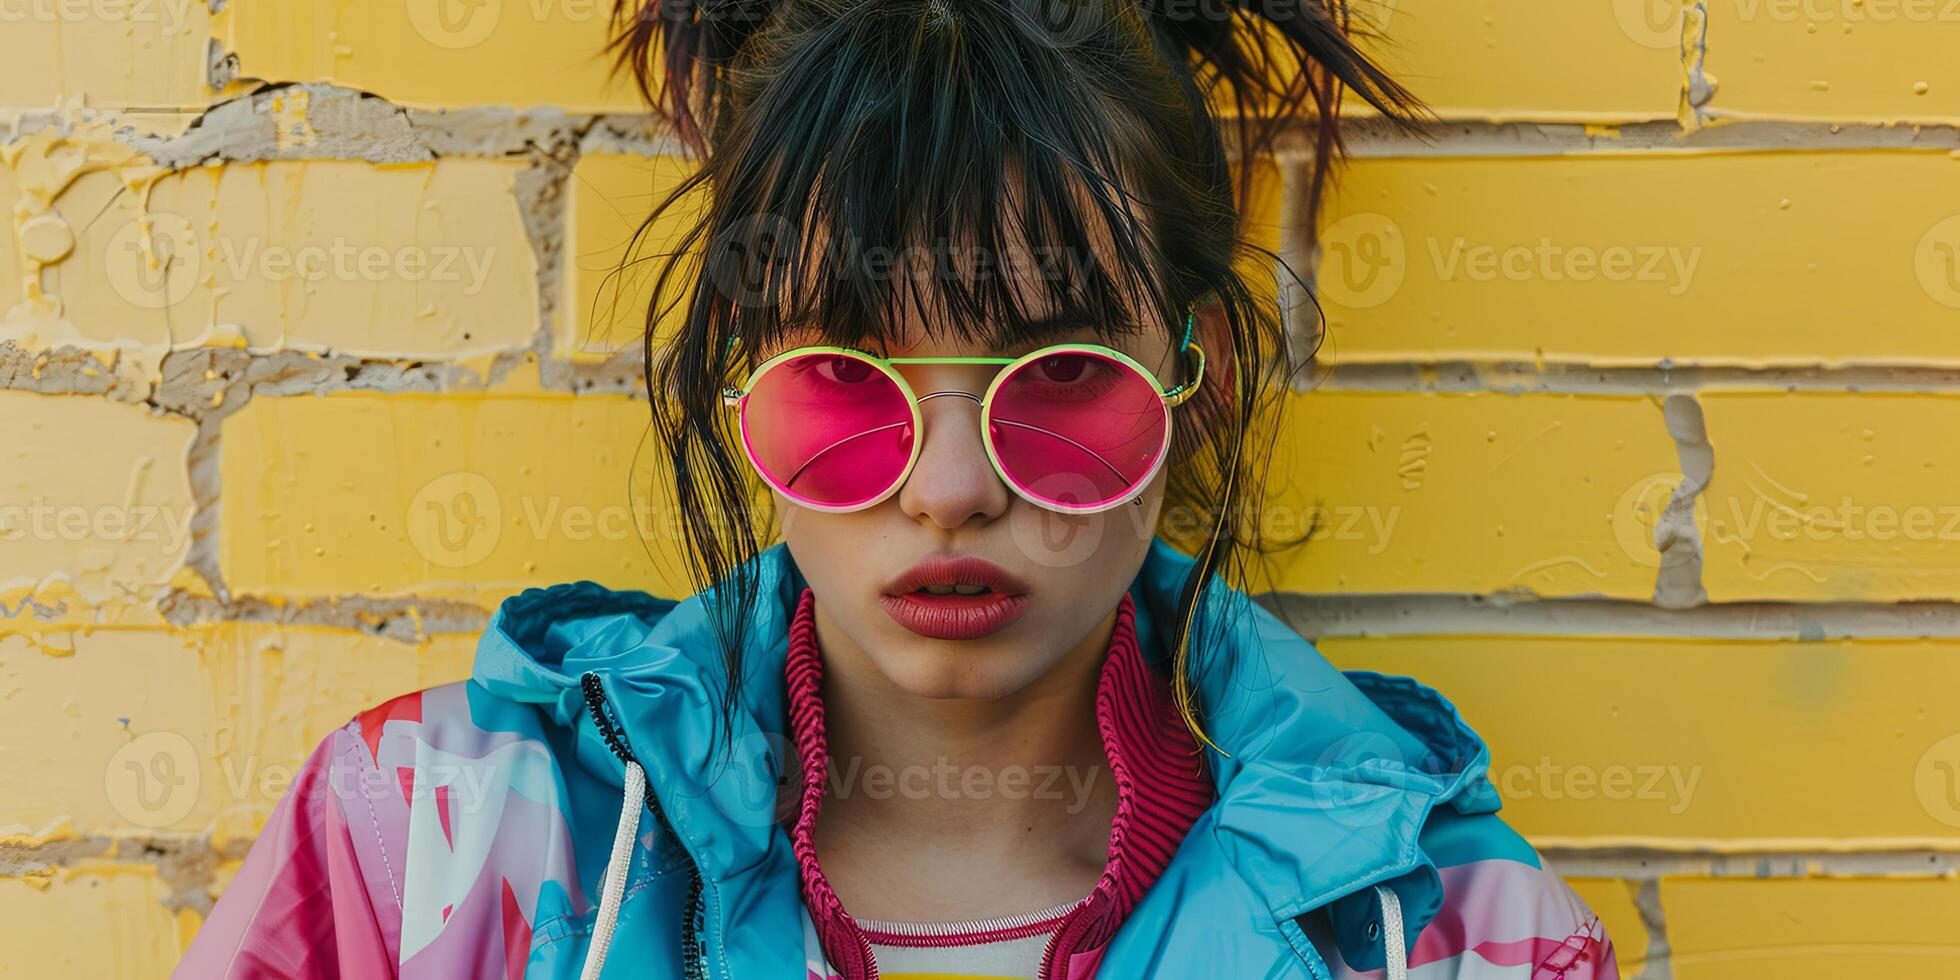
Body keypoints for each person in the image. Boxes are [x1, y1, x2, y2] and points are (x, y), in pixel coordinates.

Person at [175, 0, 1619, 976]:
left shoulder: (1443, 937)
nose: (947, 488)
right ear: (743, 374)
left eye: (1056, 376)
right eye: (849, 377)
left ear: (1203, 371)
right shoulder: (426, 845)